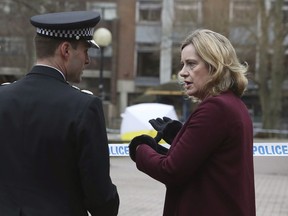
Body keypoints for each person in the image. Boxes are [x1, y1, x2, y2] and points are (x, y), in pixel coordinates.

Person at [0, 11, 119, 216]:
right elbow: (99, 196)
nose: (88, 60)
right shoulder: (84, 106)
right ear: (65, 49)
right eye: (85, 50)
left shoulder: (3, 96)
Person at [129, 29, 256, 216]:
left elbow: (171, 170)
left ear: (215, 65)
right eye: (183, 64)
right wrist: (179, 136)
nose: (182, 73)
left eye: (191, 64)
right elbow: (207, 162)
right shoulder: (233, 104)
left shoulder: (216, 108)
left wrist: (140, 149)